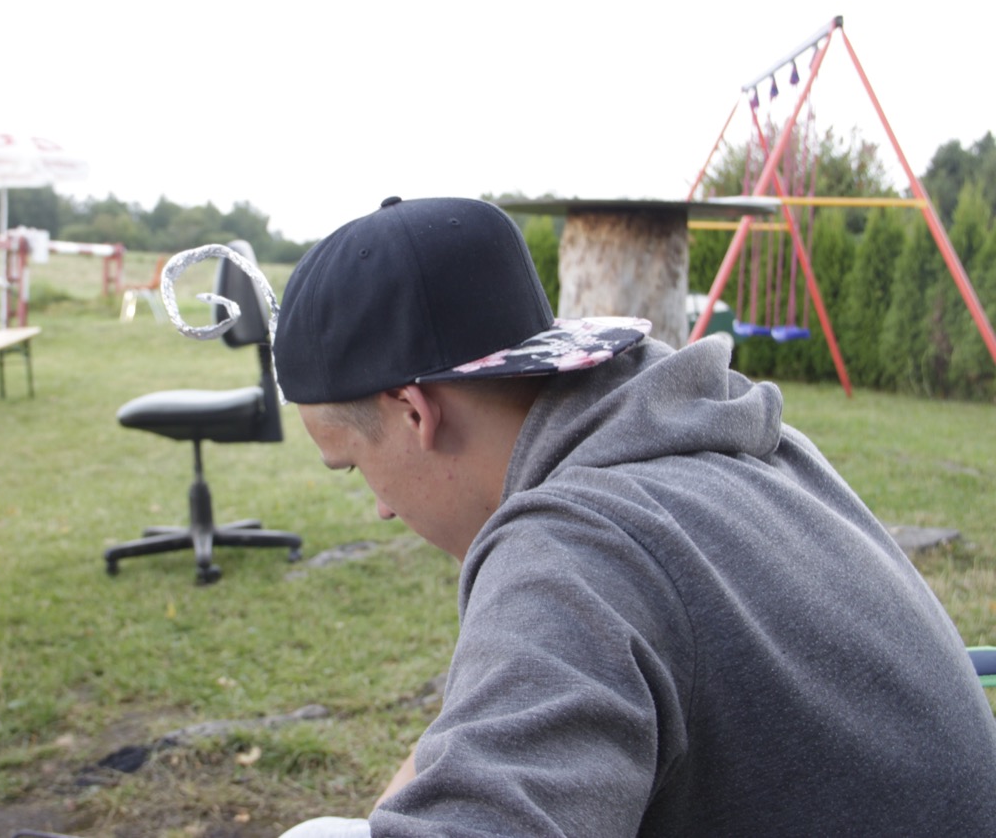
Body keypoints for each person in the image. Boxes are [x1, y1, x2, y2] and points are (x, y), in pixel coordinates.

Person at [272, 196, 996, 837]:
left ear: (414, 412)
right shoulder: (741, 446)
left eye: (353, 465)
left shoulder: (576, 555)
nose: (382, 507)